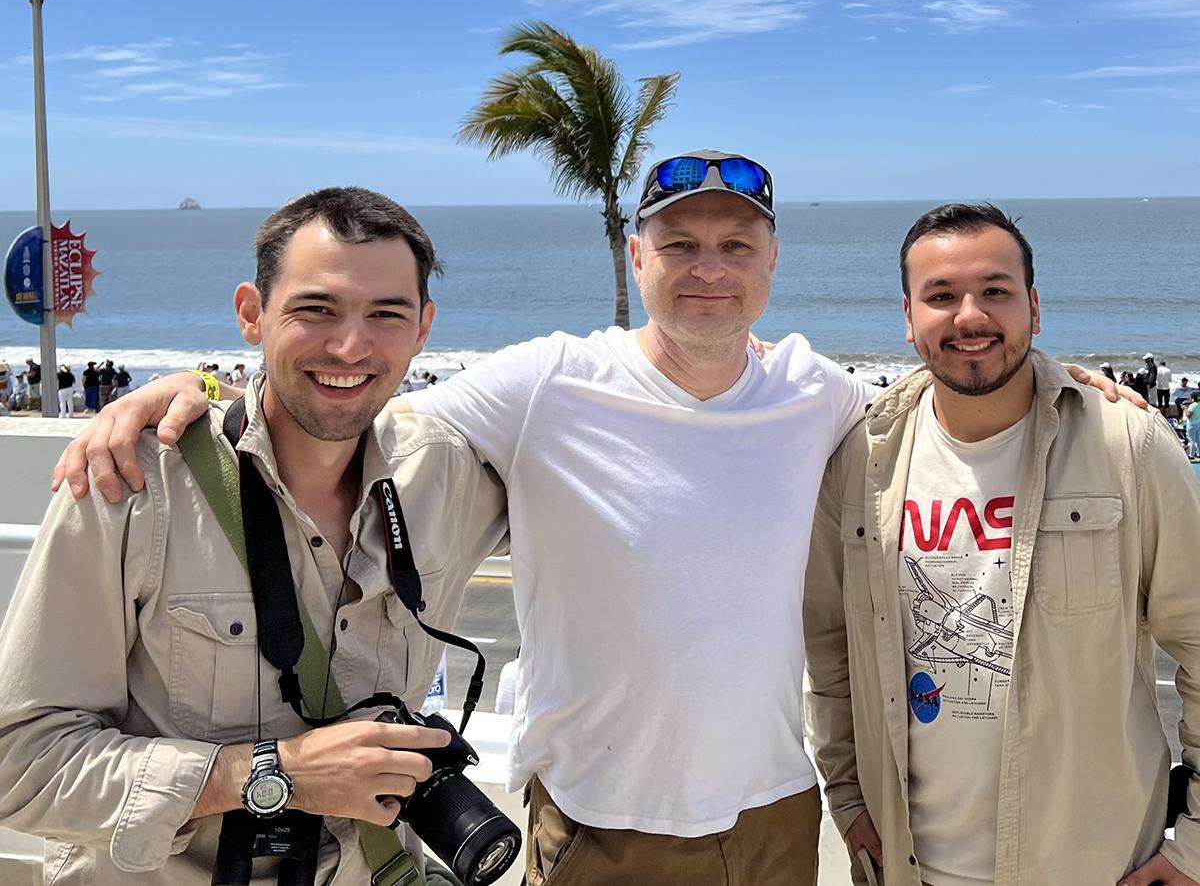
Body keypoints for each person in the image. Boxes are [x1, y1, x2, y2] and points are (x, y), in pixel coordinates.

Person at [53, 155, 1129, 885]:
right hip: (596, 826)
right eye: (680, 246)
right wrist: (175, 392)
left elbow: (956, 382)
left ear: (771, 265)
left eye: (734, 246)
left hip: (775, 817)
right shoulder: (545, 383)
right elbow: (354, 391)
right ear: (636, 259)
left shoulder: (821, 393)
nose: (708, 269)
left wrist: (1062, 378)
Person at [0, 187, 508, 886]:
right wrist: (274, 775)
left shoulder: (448, 474)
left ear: (423, 330)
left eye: (386, 315)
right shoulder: (134, 483)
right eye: (315, 309)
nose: (350, 345)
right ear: (251, 313)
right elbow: (20, 761)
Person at [804, 203, 1200, 885]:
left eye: (995, 291)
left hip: (1093, 865)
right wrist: (844, 794)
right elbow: (830, 644)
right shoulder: (860, 459)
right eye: (940, 295)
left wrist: (1193, 843)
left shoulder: (1127, 446)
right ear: (907, 317)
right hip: (907, 865)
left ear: (1034, 307)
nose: (969, 316)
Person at [1187, 396, 1200, 461]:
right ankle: (1199, 454)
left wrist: (1185, 409)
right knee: (1198, 440)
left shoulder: (1192, 406)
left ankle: (1191, 455)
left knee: (1192, 440)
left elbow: (1189, 415)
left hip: (1191, 425)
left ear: (1192, 398)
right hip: (1198, 424)